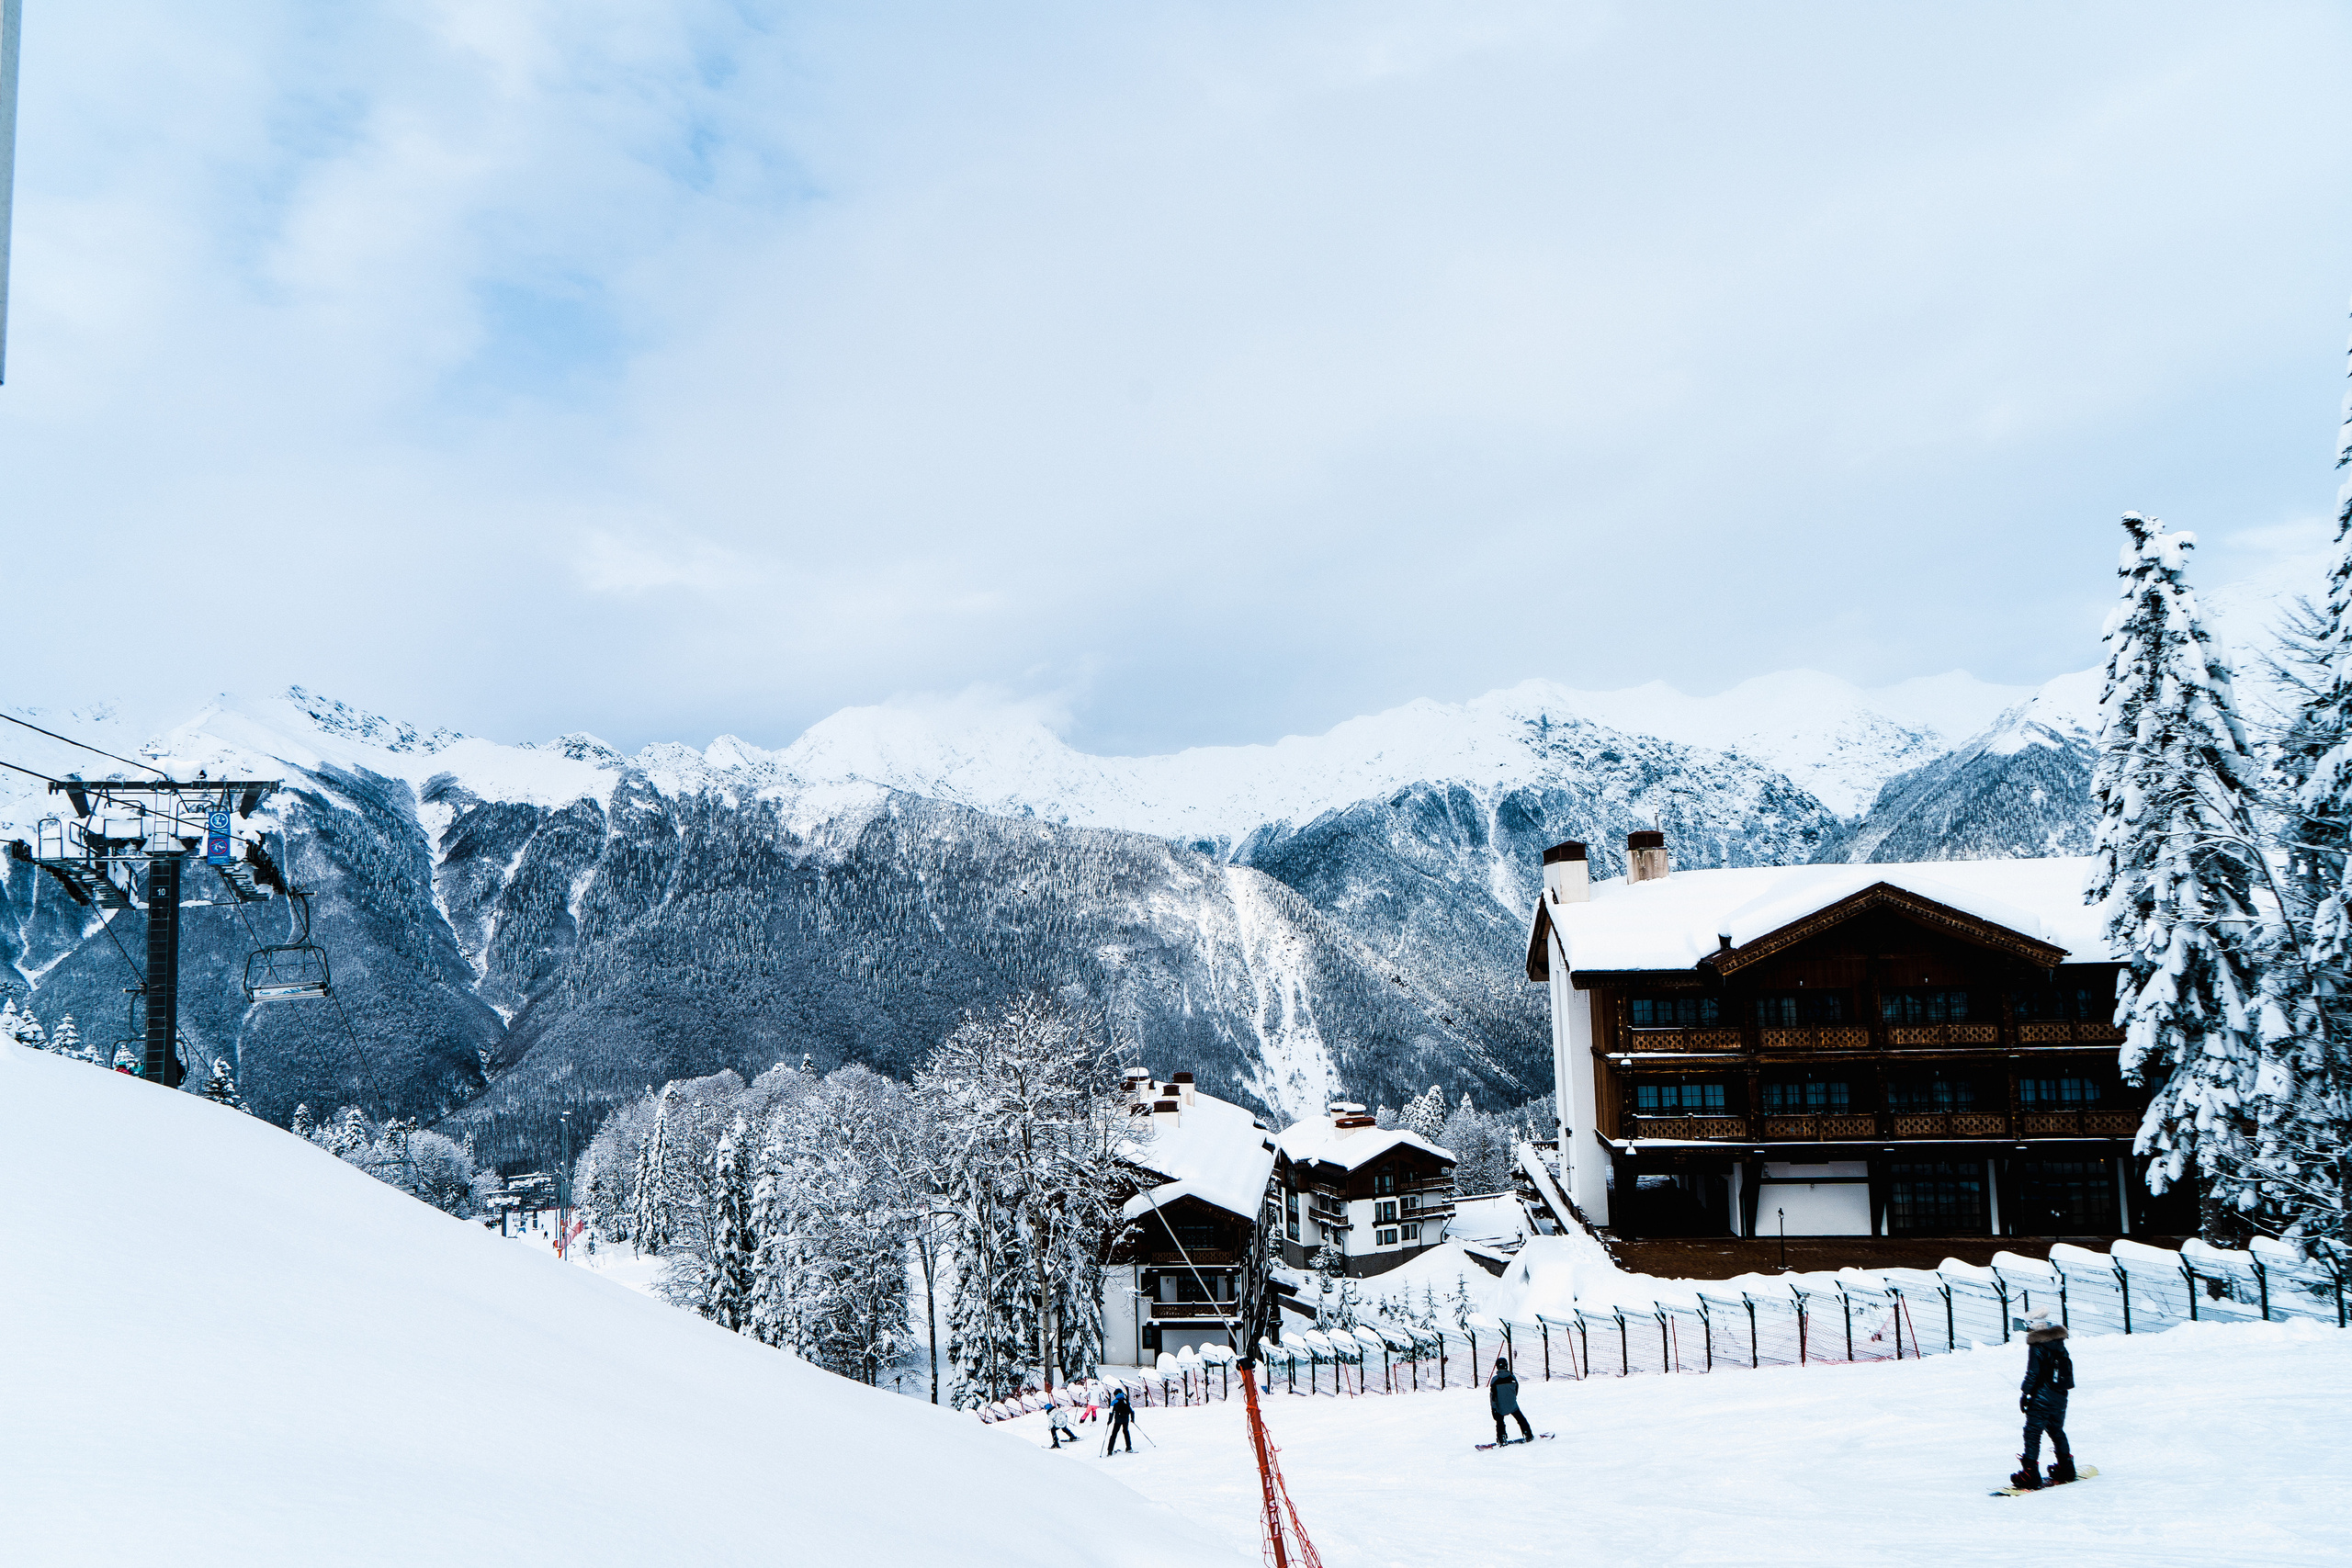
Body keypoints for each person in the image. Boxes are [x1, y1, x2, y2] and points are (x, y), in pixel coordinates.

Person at [2012, 1314, 2075, 1489]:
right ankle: (2066, 1468)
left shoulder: (2037, 1346)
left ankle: (2029, 1473)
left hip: (2041, 1396)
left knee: (2033, 1433)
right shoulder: (2059, 1344)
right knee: (2056, 1430)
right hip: (2060, 1395)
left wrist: (2025, 1393)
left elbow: (2033, 1373)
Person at [1489, 1356, 1533, 1445]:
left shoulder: (1495, 1380)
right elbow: (1516, 1391)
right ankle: (1527, 1434)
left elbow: (1493, 1396)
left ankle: (1502, 1438)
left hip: (1500, 1407)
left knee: (1500, 1421)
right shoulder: (1512, 1378)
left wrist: (1494, 1408)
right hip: (1512, 1405)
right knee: (1521, 1419)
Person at [1106, 1386, 1137, 1453]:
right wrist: (1132, 1419)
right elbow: (1132, 1411)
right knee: (1126, 1432)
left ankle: (1110, 1450)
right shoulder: (1126, 1401)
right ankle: (1129, 1447)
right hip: (1126, 1419)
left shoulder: (1114, 1402)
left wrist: (1109, 1421)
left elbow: (1111, 1412)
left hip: (1118, 1420)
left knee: (1114, 1434)